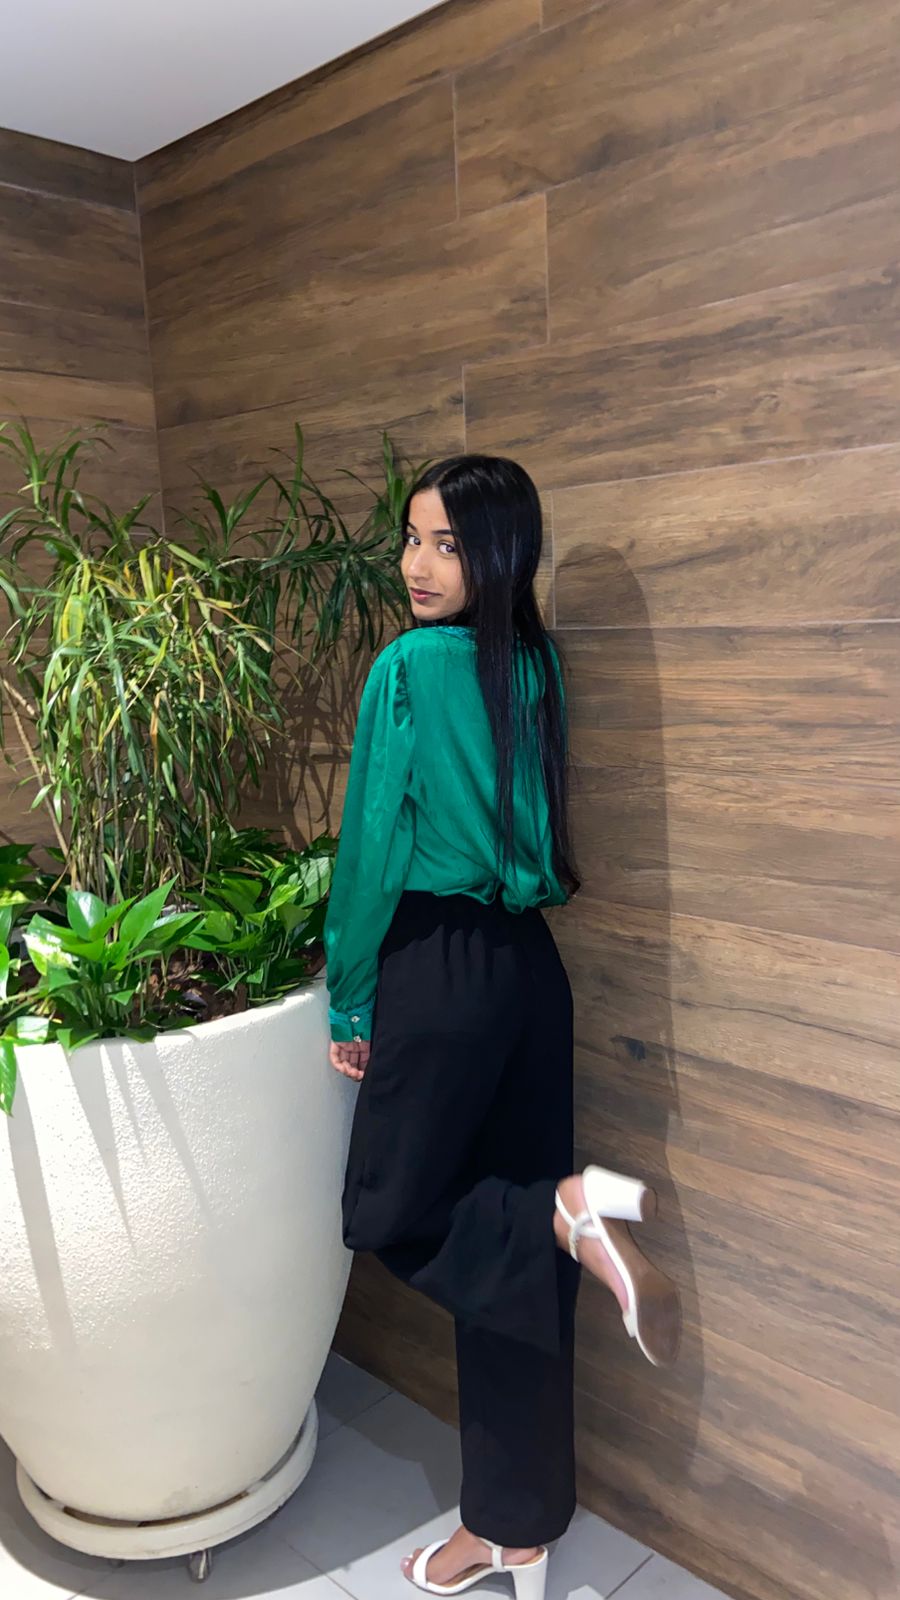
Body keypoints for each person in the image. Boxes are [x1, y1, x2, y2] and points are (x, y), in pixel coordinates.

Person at [322, 454, 681, 1600]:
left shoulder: (408, 668)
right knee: (518, 1281)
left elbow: (373, 847)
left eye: (448, 543)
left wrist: (350, 991)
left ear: (501, 552)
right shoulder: (535, 663)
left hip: (439, 969)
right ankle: (512, 1529)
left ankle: (563, 1211)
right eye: (412, 538)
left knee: (390, 1208)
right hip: (531, 975)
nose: (418, 565)